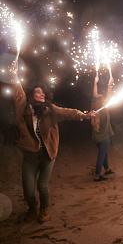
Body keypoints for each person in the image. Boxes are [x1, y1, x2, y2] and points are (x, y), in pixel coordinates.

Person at [10, 61, 93, 223]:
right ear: (31, 95)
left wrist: (84, 115)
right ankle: (32, 207)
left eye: (43, 92)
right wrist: (14, 74)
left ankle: (44, 209)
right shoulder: (24, 107)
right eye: (37, 92)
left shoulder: (50, 110)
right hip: (30, 156)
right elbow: (17, 90)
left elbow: (67, 112)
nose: (41, 94)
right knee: (28, 190)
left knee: (42, 186)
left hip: (48, 154)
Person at [90, 74, 115, 182]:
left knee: (104, 152)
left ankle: (107, 169)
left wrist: (95, 83)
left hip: (97, 138)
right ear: (102, 102)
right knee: (101, 155)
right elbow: (109, 96)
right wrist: (109, 86)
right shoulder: (104, 109)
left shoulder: (93, 110)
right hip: (104, 137)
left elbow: (95, 96)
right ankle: (97, 175)